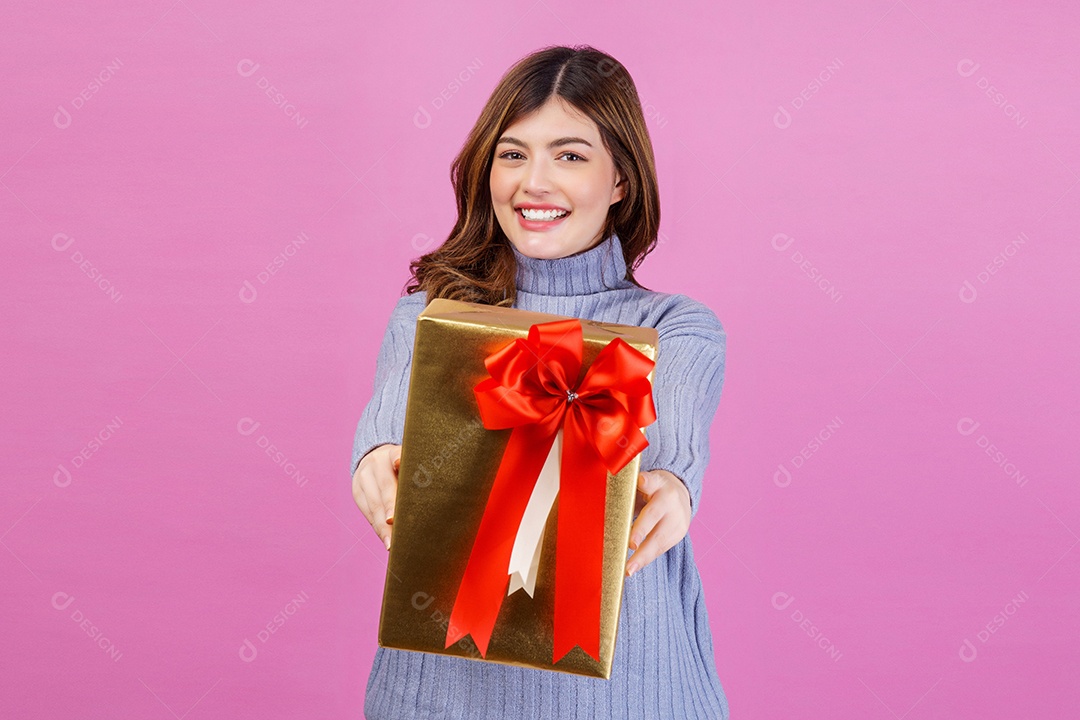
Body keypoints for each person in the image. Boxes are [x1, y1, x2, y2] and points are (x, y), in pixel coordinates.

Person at [350, 44, 730, 720]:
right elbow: (389, 422)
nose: (534, 183)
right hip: (440, 695)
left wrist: (672, 482)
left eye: (571, 156)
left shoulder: (676, 326)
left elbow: (675, 427)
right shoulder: (429, 313)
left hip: (630, 692)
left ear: (621, 180)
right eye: (513, 153)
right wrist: (377, 457)